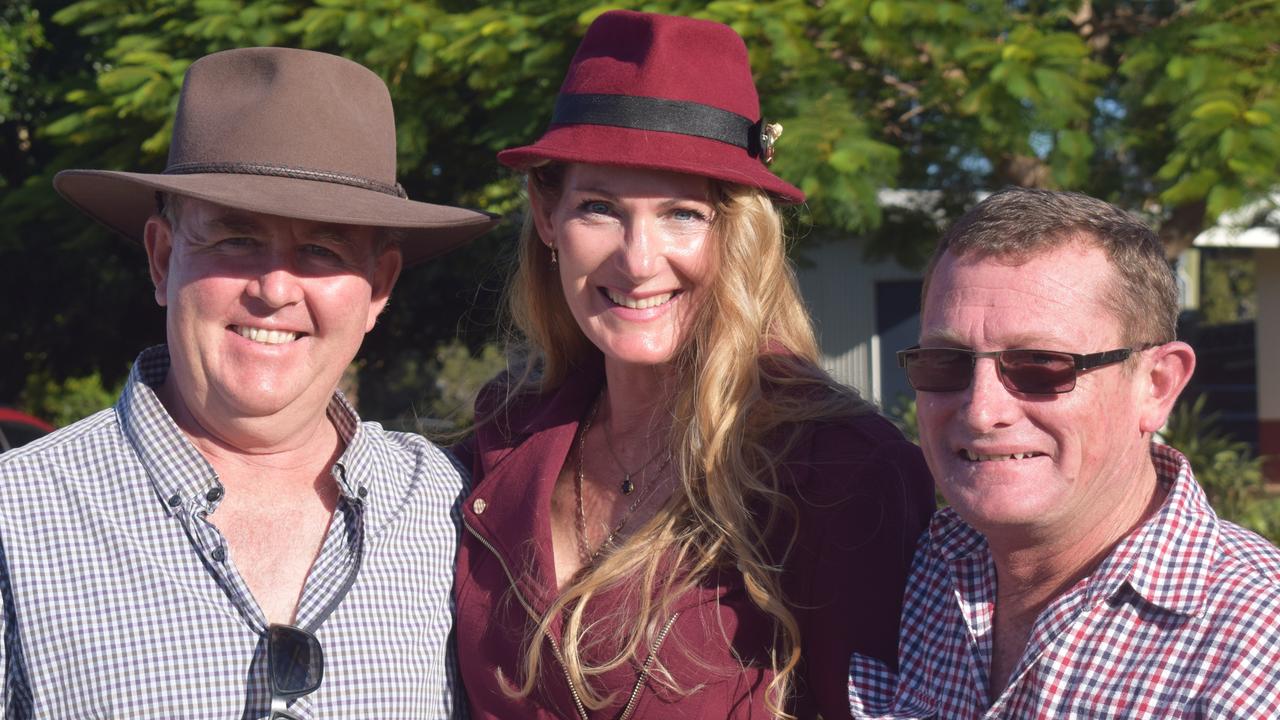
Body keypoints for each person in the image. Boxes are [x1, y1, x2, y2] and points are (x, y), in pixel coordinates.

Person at [452, 10, 934, 720]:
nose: (639, 261)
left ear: (740, 233)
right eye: (599, 208)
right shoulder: (504, 437)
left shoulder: (841, 471)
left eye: (682, 213)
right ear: (547, 215)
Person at [0, 47, 496, 718]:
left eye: (322, 250)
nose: (274, 288)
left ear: (379, 288)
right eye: (235, 239)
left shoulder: (455, 511)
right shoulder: (18, 521)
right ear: (162, 257)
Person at [849, 187, 1280, 718]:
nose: (982, 411)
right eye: (945, 362)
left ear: (1158, 385)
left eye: (1041, 366)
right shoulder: (909, 569)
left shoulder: (1259, 649)